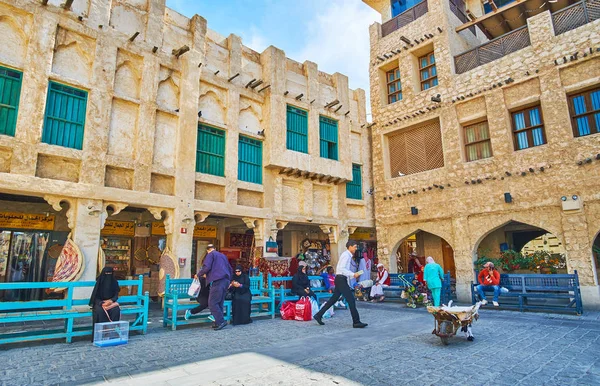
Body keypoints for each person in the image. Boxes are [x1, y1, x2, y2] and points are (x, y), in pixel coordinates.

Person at [313, 240, 368, 328]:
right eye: (355, 247)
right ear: (350, 247)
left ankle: (319, 315)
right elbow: (342, 268)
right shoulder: (346, 255)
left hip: (341, 279)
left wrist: (351, 275)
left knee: (333, 299)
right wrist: (352, 274)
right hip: (341, 279)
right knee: (351, 300)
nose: (356, 249)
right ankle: (356, 321)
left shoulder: (347, 255)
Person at [194, 244, 232, 330]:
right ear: (214, 248)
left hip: (217, 281)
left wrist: (198, 274)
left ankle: (221, 321)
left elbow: (206, 267)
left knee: (212, 303)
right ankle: (217, 322)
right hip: (225, 281)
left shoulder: (210, 255)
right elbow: (230, 269)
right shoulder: (223, 256)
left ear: (208, 250)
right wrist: (230, 280)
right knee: (219, 303)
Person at [89, 267, 121, 332]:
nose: (108, 275)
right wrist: (101, 303)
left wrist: (111, 300)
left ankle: (113, 332)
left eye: (110, 273)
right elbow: (95, 296)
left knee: (116, 310)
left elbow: (116, 295)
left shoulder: (114, 282)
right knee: (100, 312)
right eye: (106, 273)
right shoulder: (99, 282)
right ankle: (101, 333)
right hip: (99, 303)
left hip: (111, 302)